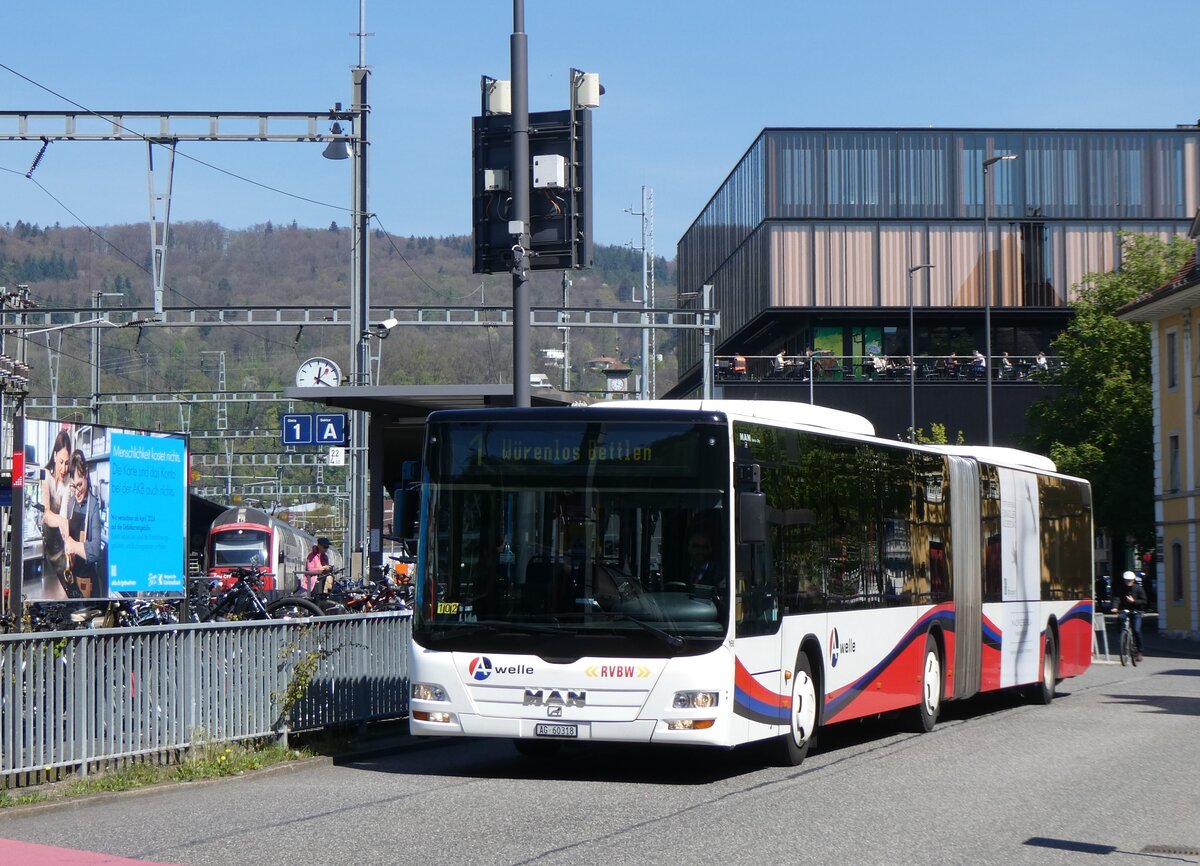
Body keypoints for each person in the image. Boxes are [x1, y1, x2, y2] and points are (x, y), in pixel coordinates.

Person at [62, 450, 107, 599]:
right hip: (72, 576)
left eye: (80, 485)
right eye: (73, 486)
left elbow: (95, 551)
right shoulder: (71, 503)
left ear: (86, 474)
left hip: (86, 582)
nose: (77, 492)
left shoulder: (93, 505)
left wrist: (73, 545)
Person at [41, 428, 73, 597]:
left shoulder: (67, 483)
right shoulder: (44, 476)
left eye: (67, 463)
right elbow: (45, 514)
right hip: (45, 551)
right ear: (54, 456)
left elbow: (64, 512)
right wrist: (61, 521)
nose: (64, 468)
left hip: (59, 554)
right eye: (61, 462)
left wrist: (68, 544)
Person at [1111, 569, 1147, 661]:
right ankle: (1122, 635)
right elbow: (1116, 598)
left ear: (1133, 580)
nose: (1128, 582)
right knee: (1120, 618)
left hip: (1136, 611)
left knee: (1137, 630)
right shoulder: (1121, 588)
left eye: (1130, 580)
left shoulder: (1138, 588)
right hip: (1125, 610)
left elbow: (1144, 601)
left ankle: (1139, 651)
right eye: (1127, 580)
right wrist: (1115, 607)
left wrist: (1134, 601)